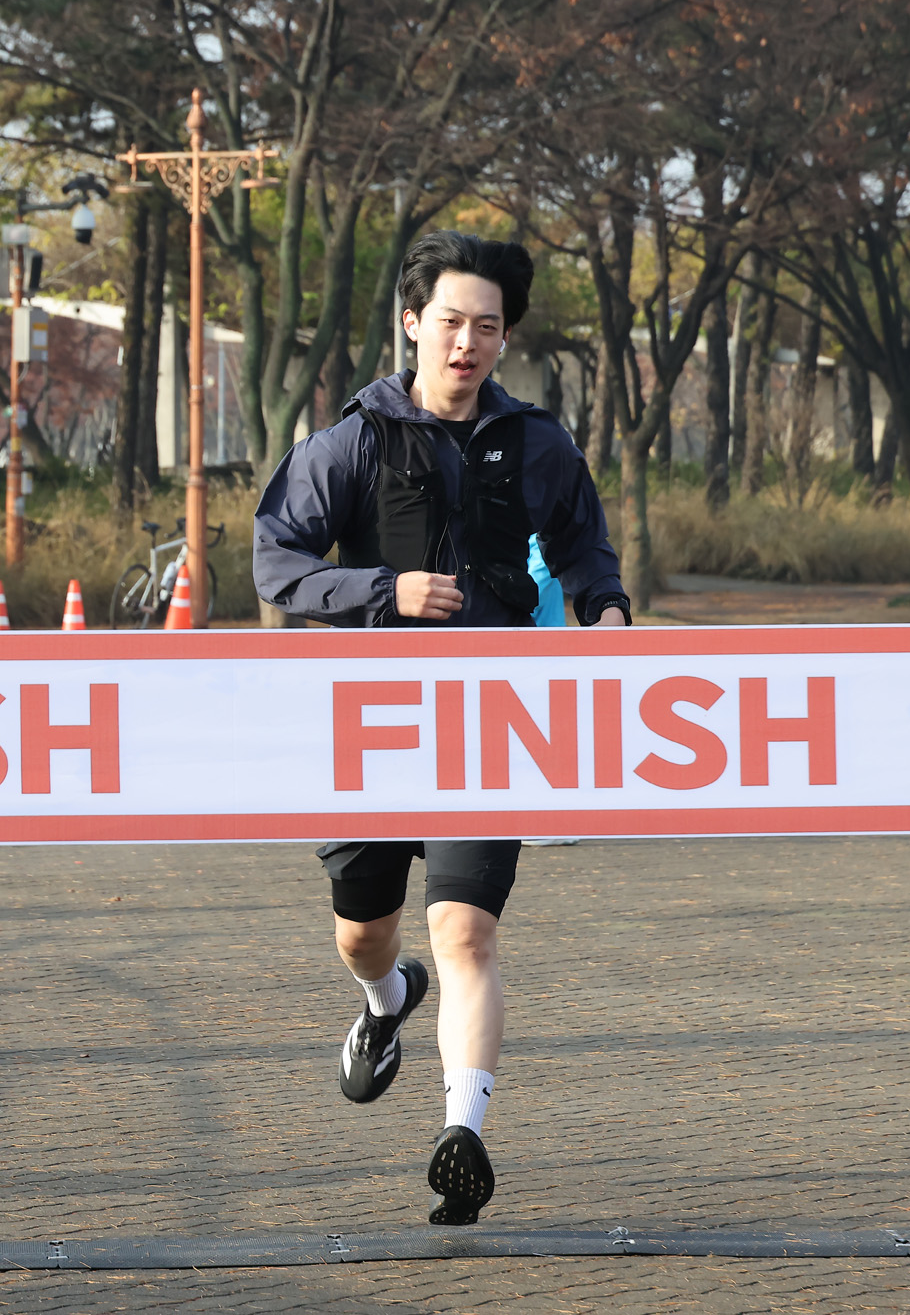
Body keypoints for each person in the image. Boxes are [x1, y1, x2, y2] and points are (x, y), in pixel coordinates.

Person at [253, 231, 629, 1227]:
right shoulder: (353, 442)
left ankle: (460, 1134)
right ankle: (384, 1004)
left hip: (485, 723)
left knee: (464, 926)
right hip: (366, 727)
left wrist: (606, 614)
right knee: (363, 932)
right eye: (450, 321)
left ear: (505, 336)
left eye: (487, 327)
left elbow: (586, 549)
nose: (466, 343)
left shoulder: (536, 444)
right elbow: (276, 563)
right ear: (412, 321)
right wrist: (385, 588)